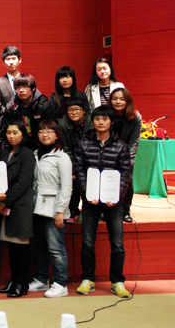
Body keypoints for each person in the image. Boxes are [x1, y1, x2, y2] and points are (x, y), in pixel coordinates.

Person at [73, 106, 132, 298]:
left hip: (114, 203)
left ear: (111, 122)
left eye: (105, 119)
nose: (100, 122)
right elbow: (79, 170)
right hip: (90, 201)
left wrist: (117, 197)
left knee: (117, 243)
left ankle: (117, 281)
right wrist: (86, 193)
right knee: (87, 242)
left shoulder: (121, 146)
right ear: (92, 121)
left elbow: (125, 173)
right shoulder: (83, 144)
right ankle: (88, 279)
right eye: (97, 119)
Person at [28, 120, 72, 298]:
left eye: (49, 131)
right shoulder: (36, 154)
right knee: (40, 246)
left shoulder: (62, 157)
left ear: (57, 135)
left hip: (54, 209)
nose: (44, 134)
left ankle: (61, 283)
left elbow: (67, 186)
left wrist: (61, 210)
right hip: (37, 206)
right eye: (41, 131)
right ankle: (41, 279)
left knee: (56, 248)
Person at [0, 120, 35, 298]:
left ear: (23, 134)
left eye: (15, 132)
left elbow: (23, 183)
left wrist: (6, 202)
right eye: (9, 132)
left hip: (20, 206)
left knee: (21, 247)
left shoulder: (27, 154)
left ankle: (22, 282)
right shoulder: (5, 153)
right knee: (12, 246)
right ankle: (13, 279)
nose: (11, 136)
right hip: (6, 205)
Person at [58, 97, 92, 223]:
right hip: (71, 157)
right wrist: (74, 169)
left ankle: (90, 210)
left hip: (89, 158)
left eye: (77, 109)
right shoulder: (63, 124)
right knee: (72, 178)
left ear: (84, 111)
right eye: (70, 110)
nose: (73, 113)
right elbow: (65, 148)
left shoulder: (90, 122)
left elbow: (91, 147)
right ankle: (73, 210)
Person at [109, 88, 141, 223]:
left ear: (128, 101)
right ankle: (106, 210)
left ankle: (126, 210)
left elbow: (134, 140)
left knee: (128, 180)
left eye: (122, 99)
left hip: (126, 152)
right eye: (115, 99)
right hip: (108, 152)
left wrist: (129, 159)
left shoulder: (135, 116)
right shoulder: (105, 114)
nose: (118, 102)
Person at [5, 74, 57, 150]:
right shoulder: (11, 107)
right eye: (18, 87)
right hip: (20, 146)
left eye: (24, 87)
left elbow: (52, 129)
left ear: (33, 88)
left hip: (41, 145)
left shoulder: (44, 105)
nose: (21, 90)